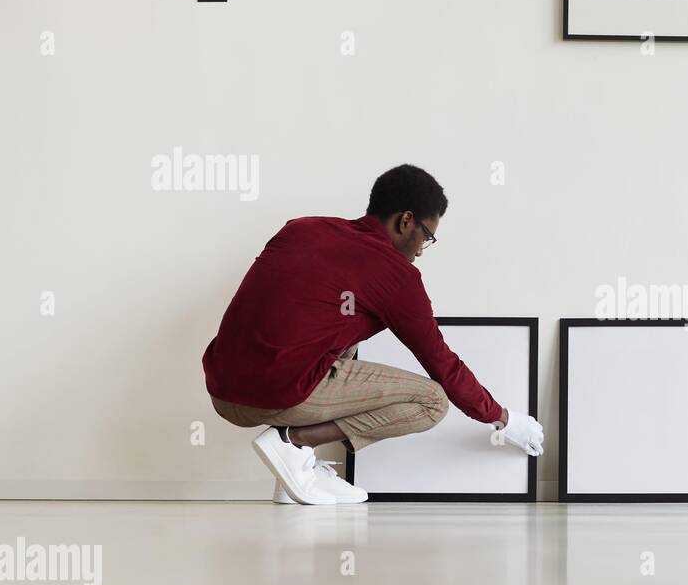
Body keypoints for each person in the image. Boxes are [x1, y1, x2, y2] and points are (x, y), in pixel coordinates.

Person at [202, 164, 544, 505]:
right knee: (433, 401)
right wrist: (503, 418)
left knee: (337, 324)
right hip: (274, 395)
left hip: (222, 391)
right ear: (405, 220)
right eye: (426, 235)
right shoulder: (396, 276)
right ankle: (294, 443)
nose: (422, 250)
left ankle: (293, 473)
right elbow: (442, 364)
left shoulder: (301, 228)